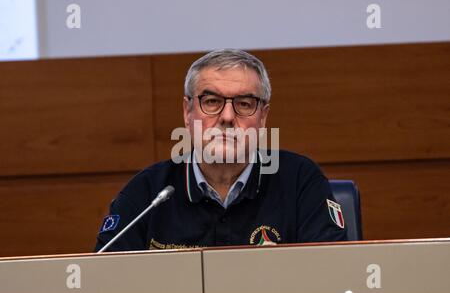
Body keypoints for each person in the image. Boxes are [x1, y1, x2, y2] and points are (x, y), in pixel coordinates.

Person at [95, 49, 347, 252]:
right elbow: (105, 283)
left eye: (244, 104)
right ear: (187, 111)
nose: (227, 116)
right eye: (212, 101)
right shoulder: (147, 194)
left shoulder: (301, 182)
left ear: (263, 118)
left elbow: (333, 275)